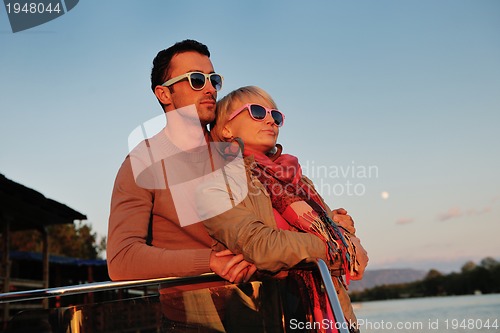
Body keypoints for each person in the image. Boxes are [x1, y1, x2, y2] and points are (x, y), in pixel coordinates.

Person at [198, 86, 368, 332]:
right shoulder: (216, 182)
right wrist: (337, 242)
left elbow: (355, 256)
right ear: (226, 129)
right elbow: (262, 246)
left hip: (335, 314)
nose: (270, 120)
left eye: (275, 115)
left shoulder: (298, 180)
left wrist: (340, 232)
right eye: (257, 112)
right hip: (268, 317)